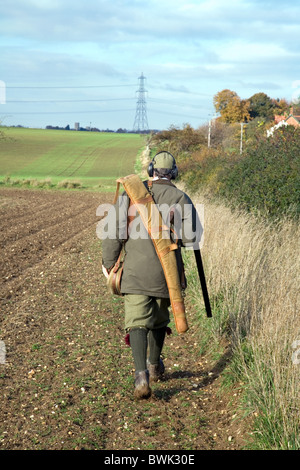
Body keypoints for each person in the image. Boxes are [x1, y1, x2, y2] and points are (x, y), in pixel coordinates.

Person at [101, 151, 202, 399]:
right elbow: (191, 238)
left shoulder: (130, 194)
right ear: (174, 173)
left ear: (151, 170)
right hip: (167, 274)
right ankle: (155, 366)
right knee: (159, 319)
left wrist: (109, 262)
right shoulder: (181, 198)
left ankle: (141, 376)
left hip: (135, 271)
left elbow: (113, 232)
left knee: (136, 321)